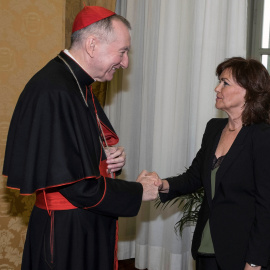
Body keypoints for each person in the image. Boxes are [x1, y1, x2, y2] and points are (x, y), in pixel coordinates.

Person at [3, 6, 158, 270]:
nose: (125, 63)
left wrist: (101, 157)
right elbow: (76, 187)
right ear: (92, 44)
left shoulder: (73, 84)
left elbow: (66, 158)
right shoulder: (55, 91)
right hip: (67, 234)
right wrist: (138, 191)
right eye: (122, 52)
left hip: (81, 224)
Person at [156, 57, 270, 270]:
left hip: (242, 252)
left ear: (249, 91)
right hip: (206, 246)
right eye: (219, 81)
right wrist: (161, 184)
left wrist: (255, 261)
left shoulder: (262, 137)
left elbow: (266, 207)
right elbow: (194, 177)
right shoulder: (214, 128)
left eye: (225, 83)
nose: (217, 88)